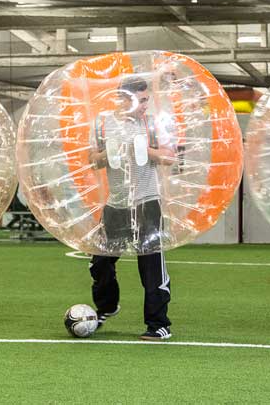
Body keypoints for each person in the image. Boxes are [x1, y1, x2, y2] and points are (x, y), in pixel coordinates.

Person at [88, 76, 175, 341]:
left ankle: (159, 324)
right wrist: (109, 153)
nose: (145, 105)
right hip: (117, 204)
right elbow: (92, 161)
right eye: (141, 99)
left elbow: (170, 157)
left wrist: (146, 150)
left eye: (147, 99)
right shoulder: (102, 123)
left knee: (151, 266)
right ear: (124, 98)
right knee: (100, 261)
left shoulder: (152, 123)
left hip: (147, 202)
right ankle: (107, 307)